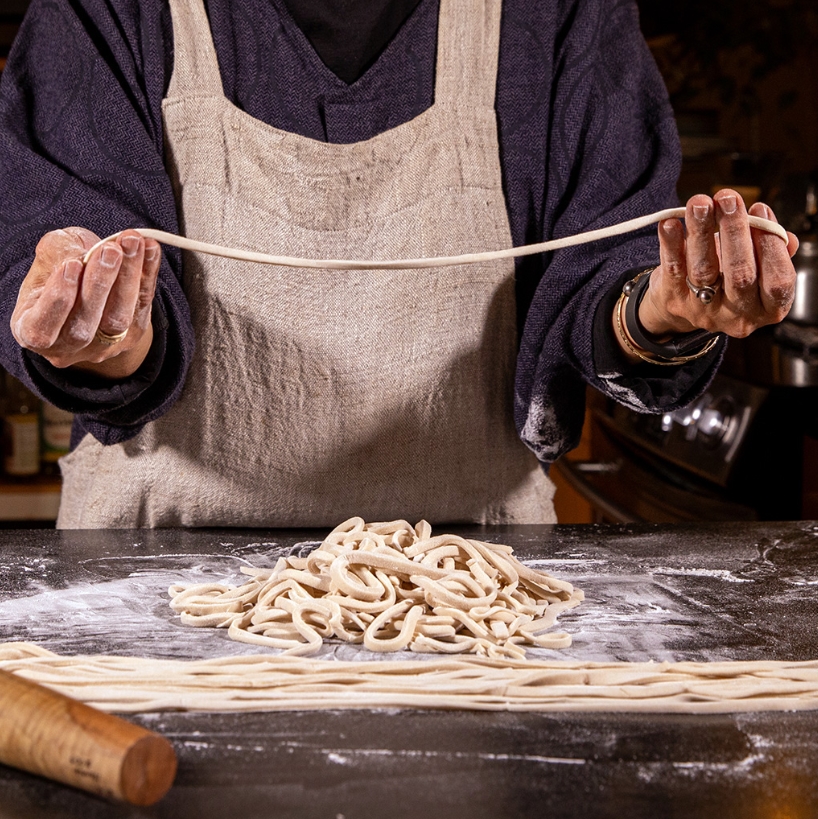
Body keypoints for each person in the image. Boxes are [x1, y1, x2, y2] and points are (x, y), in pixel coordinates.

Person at [0, 0, 797, 528]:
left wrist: (666, 308)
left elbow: (610, 281)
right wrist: (101, 332)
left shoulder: (557, 13)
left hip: (480, 595)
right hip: (155, 575)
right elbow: (59, 254)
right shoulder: (103, 10)